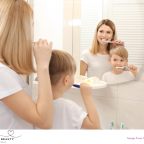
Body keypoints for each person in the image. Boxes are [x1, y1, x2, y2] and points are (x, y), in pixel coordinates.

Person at [0, 0, 53, 129]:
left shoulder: (6, 72)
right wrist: (43, 65)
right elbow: (44, 121)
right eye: (31, 25)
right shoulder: (2, 73)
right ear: (20, 31)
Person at [49, 50, 100, 129]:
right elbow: (95, 127)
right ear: (66, 80)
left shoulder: (36, 104)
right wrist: (87, 96)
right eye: (73, 74)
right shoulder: (68, 107)